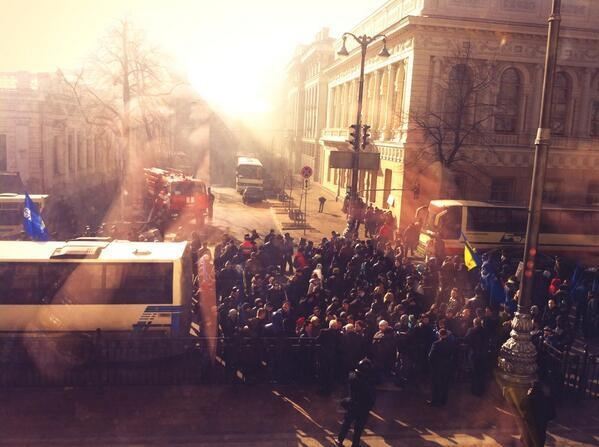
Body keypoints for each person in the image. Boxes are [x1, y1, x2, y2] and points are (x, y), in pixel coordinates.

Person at [337, 358, 376, 447]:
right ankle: (355, 444)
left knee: (346, 423)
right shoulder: (367, 383)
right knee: (358, 428)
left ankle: (340, 440)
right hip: (362, 408)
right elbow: (371, 397)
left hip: (352, 404)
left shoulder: (352, 377)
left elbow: (351, 373)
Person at [520, 381, 556, 447]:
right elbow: (552, 415)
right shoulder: (547, 400)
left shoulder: (529, 398)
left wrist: (527, 395)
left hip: (528, 433)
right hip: (540, 434)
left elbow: (521, 406)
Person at [427, 328, 456, 406]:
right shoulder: (451, 343)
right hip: (447, 366)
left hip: (437, 366)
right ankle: (443, 400)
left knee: (436, 384)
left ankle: (435, 401)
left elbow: (431, 356)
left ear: (439, 335)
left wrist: (432, 365)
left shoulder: (436, 344)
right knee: (445, 384)